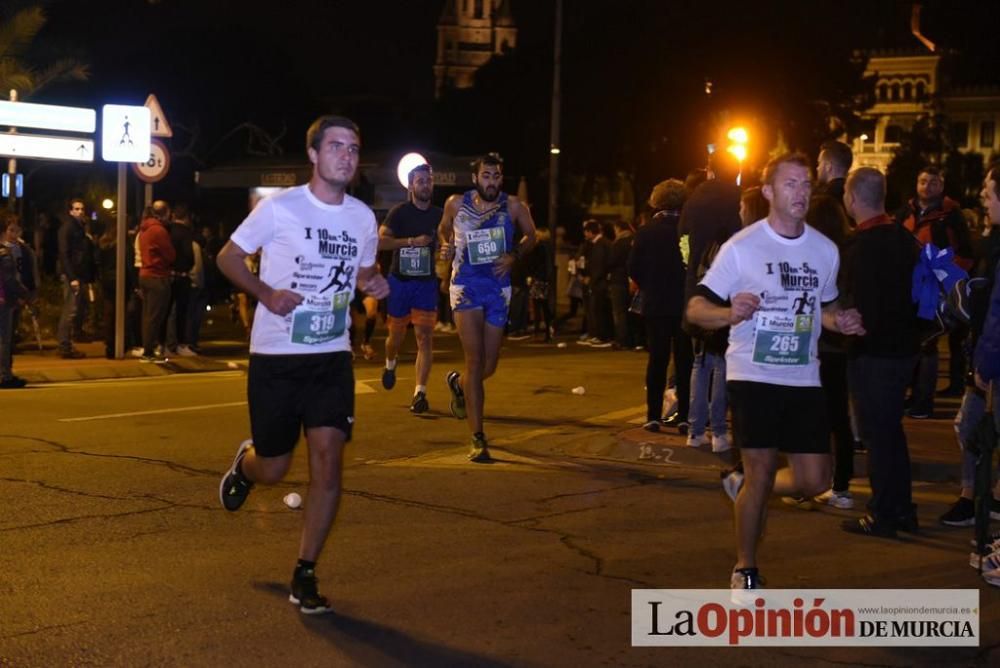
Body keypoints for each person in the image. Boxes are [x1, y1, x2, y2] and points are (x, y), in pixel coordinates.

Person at [217, 115, 388, 615]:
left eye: (354, 148)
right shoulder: (281, 208)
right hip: (276, 355)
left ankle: (305, 571)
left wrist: (373, 284)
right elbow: (228, 257)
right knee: (275, 465)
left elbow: (364, 272)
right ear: (313, 154)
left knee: (328, 462)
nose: (347, 156)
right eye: (336, 146)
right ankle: (247, 467)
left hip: (331, 354)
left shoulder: (360, 217)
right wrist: (266, 293)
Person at [686, 153, 865, 598]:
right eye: (790, 184)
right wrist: (729, 312)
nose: (801, 192)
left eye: (806, 184)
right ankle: (745, 567)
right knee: (762, 469)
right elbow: (694, 309)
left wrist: (840, 321)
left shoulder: (824, 250)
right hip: (753, 373)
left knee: (815, 480)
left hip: (803, 376)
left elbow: (824, 307)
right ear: (768, 192)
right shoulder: (742, 247)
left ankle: (742, 485)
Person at [838, 167, 921, 537]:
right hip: (904, 350)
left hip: (873, 354)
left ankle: (884, 512)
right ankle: (901, 508)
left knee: (878, 436)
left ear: (852, 198)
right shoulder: (904, 239)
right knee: (892, 433)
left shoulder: (860, 247)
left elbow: (856, 306)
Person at [439, 152, 536, 461]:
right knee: (475, 361)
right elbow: (443, 228)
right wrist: (446, 244)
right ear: (475, 178)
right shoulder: (456, 203)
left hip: (498, 288)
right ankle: (478, 437)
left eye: (496, 177)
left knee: (489, 366)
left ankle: (458, 384)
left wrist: (514, 256)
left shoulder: (513, 206)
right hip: (466, 286)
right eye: (486, 176)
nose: (492, 182)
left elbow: (533, 235)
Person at [940, 165, 1000, 526]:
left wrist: (986, 362)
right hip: (983, 354)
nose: (982, 197)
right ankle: (974, 495)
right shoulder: (988, 243)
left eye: (989, 191)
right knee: (969, 427)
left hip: (989, 359)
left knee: (975, 425)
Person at [896, 166, 974, 416]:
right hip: (908, 288)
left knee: (928, 344)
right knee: (911, 343)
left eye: (933, 182)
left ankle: (922, 403)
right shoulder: (905, 212)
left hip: (933, 290)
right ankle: (913, 397)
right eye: (923, 181)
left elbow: (966, 253)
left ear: (941, 186)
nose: (927, 187)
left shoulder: (951, 215)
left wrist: (948, 282)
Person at [379, 162, 442, 413]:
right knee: (395, 338)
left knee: (424, 338)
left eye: (429, 180)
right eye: (420, 181)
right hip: (400, 282)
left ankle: (420, 393)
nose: (426, 185)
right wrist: (410, 242)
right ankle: (390, 362)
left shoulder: (439, 215)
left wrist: (447, 249)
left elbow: (451, 239)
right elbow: (380, 242)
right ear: (411, 185)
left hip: (425, 283)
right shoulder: (399, 212)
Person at [628, 179, 688, 432]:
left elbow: (633, 268)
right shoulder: (688, 230)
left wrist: (649, 284)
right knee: (685, 361)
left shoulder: (646, 232)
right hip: (685, 303)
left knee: (657, 360)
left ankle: (653, 415)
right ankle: (685, 416)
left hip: (656, 303)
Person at [138, 201, 175, 363]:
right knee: (155, 316)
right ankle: (149, 352)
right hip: (157, 276)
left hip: (145, 274)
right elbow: (170, 254)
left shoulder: (144, 229)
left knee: (148, 315)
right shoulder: (159, 230)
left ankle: (147, 348)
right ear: (164, 213)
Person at [56, 199, 91, 358]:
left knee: (75, 310)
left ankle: (67, 344)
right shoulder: (68, 228)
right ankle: (64, 346)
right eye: (76, 209)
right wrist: (72, 277)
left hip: (77, 273)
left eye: (82, 209)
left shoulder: (78, 228)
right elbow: (64, 254)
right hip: (73, 274)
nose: (80, 211)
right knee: (70, 310)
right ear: (70, 211)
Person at [0, 214, 28, 388]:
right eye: (11, 229)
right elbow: (9, 279)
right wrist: (23, 294)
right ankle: (5, 375)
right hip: (4, 300)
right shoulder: (4, 254)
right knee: (4, 339)